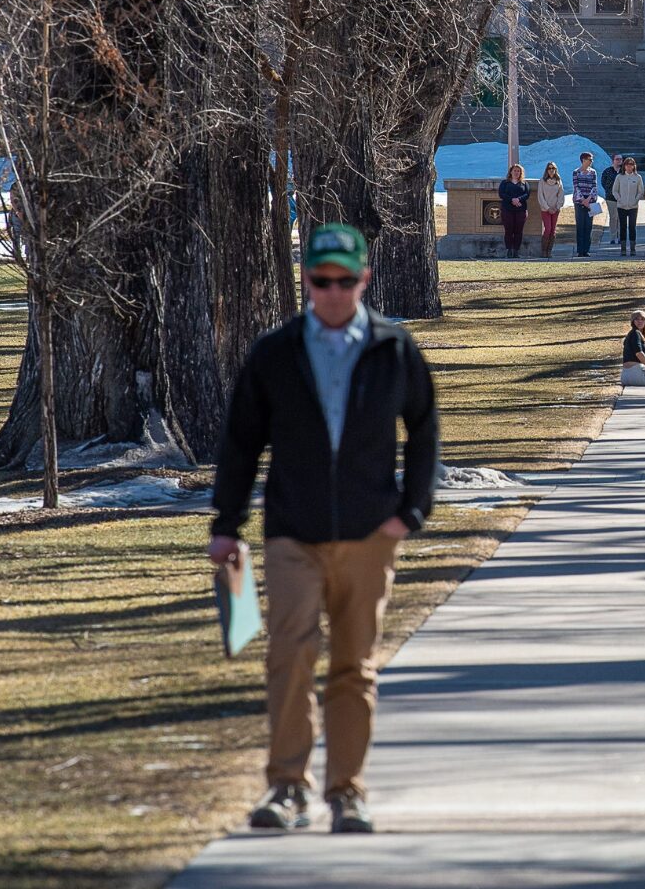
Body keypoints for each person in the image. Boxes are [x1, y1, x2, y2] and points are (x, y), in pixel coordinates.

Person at [209, 223, 438, 836]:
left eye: (344, 281)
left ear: (363, 279)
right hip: (292, 533)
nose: (332, 292)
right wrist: (226, 525)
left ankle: (347, 792)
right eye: (320, 281)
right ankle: (286, 787)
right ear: (305, 280)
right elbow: (240, 442)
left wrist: (410, 512)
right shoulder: (275, 352)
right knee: (290, 653)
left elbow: (425, 431)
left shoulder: (393, 349)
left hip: (370, 534)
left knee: (353, 665)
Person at [612, 156, 645, 256]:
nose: (629, 166)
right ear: (624, 166)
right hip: (621, 206)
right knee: (622, 227)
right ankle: (623, 248)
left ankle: (632, 248)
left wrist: (635, 200)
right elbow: (615, 190)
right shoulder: (619, 177)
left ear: (634, 166)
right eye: (627, 164)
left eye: (631, 164)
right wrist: (619, 199)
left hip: (633, 206)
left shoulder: (638, 177)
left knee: (632, 227)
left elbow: (641, 191)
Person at [498, 163, 530, 258]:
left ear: (521, 173)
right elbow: (501, 194)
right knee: (508, 230)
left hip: (521, 210)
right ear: (511, 172)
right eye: (514, 170)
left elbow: (527, 194)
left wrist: (518, 199)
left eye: (518, 171)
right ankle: (509, 250)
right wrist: (512, 200)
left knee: (518, 231)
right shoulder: (505, 183)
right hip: (507, 210)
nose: (516, 172)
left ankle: (516, 251)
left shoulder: (524, 183)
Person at [570, 153, 599, 258]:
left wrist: (589, 199)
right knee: (580, 226)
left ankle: (586, 249)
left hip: (590, 203)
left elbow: (594, 187)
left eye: (592, 159)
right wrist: (583, 199)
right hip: (579, 202)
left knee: (588, 226)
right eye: (589, 159)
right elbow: (576, 186)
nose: (591, 161)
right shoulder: (576, 172)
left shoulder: (593, 172)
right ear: (583, 160)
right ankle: (580, 250)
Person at [536, 163, 565, 258]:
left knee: (553, 230)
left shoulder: (558, 181)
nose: (551, 170)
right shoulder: (542, 181)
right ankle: (543, 250)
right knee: (547, 229)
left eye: (553, 168)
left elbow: (561, 195)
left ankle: (549, 251)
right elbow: (540, 196)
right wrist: (547, 208)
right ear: (546, 170)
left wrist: (557, 207)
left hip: (555, 209)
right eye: (549, 168)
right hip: (545, 209)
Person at [598, 158, 620, 246]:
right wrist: (608, 190)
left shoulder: (623, 171)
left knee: (620, 218)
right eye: (617, 159)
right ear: (613, 161)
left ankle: (620, 237)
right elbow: (603, 182)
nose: (619, 161)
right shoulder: (607, 171)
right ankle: (612, 237)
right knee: (613, 217)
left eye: (620, 159)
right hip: (610, 198)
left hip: (622, 198)